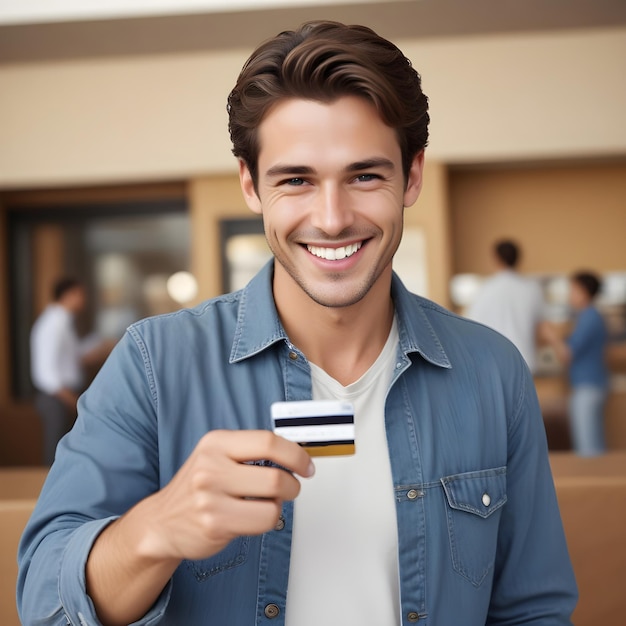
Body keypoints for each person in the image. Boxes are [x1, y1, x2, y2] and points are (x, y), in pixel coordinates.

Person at [18, 21, 577, 625]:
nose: (332, 219)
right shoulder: (155, 363)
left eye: (365, 175)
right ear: (250, 186)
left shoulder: (492, 372)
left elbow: (532, 610)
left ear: (411, 176)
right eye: (296, 180)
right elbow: (44, 604)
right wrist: (156, 528)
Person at [29, 277, 110, 465]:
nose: (84, 299)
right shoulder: (52, 324)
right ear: (68, 295)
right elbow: (47, 374)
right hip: (58, 397)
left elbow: (73, 357)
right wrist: (72, 400)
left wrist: (99, 349)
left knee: (65, 449)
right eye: (80, 294)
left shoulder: (63, 322)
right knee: (56, 450)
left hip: (63, 396)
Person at [541, 271, 609, 456]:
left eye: (572, 289)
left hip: (587, 387)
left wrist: (551, 336)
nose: (569, 294)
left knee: (588, 449)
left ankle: (595, 484)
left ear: (584, 292)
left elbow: (567, 354)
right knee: (591, 443)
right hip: (589, 386)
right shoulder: (587, 316)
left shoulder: (589, 317)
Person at [465, 239, 546, 373]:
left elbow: (470, 328)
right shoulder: (532, 289)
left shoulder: (484, 290)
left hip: (494, 362)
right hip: (525, 362)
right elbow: (542, 329)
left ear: (495, 258)